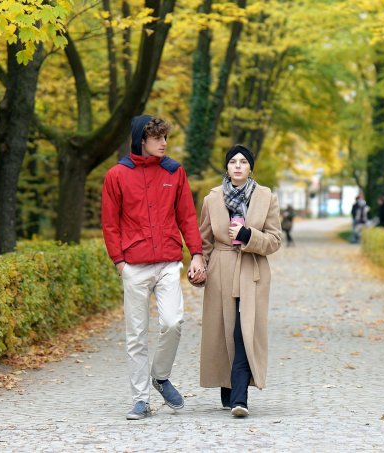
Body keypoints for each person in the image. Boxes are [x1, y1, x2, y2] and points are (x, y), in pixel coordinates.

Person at [101, 115, 207, 420]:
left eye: (165, 138)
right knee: (136, 334)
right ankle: (140, 400)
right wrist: (119, 262)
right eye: (157, 138)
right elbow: (110, 223)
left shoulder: (174, 172)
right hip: (133, 264)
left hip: (168, 263)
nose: (164, 143)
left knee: (173, 322)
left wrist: (196, 254)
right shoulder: (117, 175)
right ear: (141, 140)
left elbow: (187, 216)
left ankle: (160, 377)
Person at [199, 144, 282, 418]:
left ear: (250, 167)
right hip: (221, 270)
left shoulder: (266, 198)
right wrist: (199, 266)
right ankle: (228, 388)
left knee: (244, 331)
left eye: (243, 161)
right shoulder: (212, 199)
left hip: (252, 270)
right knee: (224, 329)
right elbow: (204, 241)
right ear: (226, 167)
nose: (237, 165)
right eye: (232, 161)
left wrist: (248, 236)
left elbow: (274, 240)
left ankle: (240, 398)